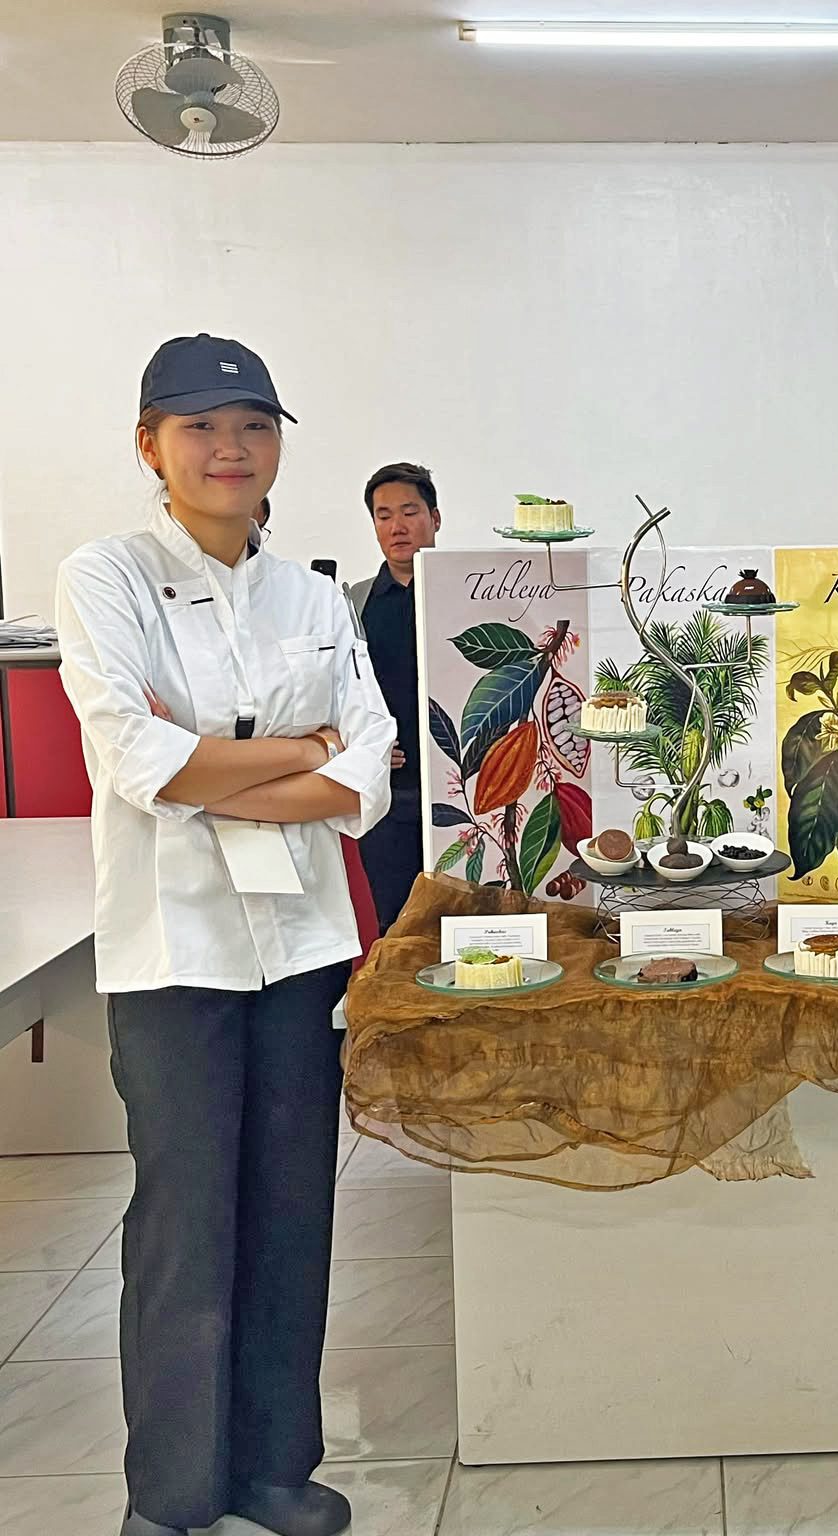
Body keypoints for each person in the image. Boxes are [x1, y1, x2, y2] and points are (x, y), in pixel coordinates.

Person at [55, 333, 394, 1536]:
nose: (230, 448)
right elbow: (134, 757)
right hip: (173, 949)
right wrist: (298, 754)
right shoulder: (105, 576)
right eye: (199, 426)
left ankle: (272, 1470)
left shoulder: (312, 596)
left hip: (301, 944)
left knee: (293, 1210)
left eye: (253, 426)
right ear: (150, 446)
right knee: (186, 1221)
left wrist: (218, 770)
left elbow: (368, 771)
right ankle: (173, 1494)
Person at [351, 461, 441, 932]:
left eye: (409, 512)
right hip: (389, 794)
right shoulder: (354, 602)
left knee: (468, 919)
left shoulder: (469, 595)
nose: (397, 526)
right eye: (383, 516)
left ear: (435, 518)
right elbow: (338, 694)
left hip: (463, 794)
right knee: (397, 926)